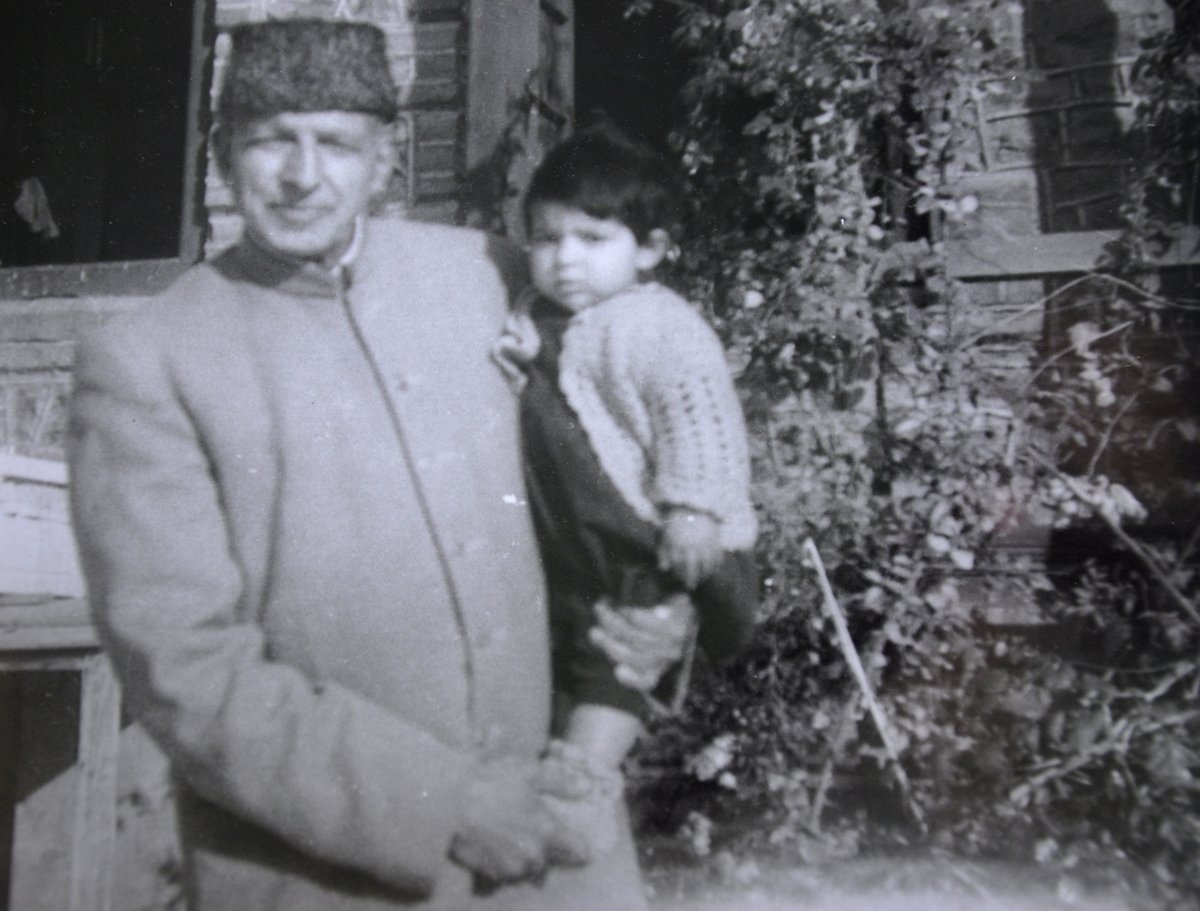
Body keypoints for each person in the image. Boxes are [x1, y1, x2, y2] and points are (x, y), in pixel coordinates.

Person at [68, 20, 688, 911]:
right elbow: (185, 666)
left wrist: (658, 614)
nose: (303, 174)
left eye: (335, 143)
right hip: (325, 877)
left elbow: (621, 463)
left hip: (561, 851)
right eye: (270, 140)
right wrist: (445, 803)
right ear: (222, 155)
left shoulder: (490, 276)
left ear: (385, 160)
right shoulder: (147, 358)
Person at [494, 125, 758, 853]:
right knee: (581, 639)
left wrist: (693, 510)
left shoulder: (659, 326)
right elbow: (531, 346)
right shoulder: (544, 312)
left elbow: (698, 418)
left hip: (655, 536)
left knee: (625, 650)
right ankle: (570, 771)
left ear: (649, 250)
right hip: (586, 540)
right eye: (547, 239)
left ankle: (584, 775)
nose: (565, 259)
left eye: (592, 238)